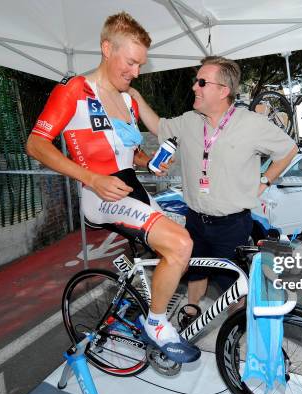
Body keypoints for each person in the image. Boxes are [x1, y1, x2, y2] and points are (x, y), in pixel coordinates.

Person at [25, 12, 200, 364]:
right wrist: (90, 178)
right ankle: (155, 322)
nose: (136, 72)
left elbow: (125, 150)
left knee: (178, 248)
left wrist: (147, 161)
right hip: (100, 193)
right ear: (107, 49)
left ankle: (135, 301)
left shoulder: (129, 97)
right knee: (180, 245)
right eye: (132, 62)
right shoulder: (74, 90)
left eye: (140, 64)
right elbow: (36, 144)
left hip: (131, 185)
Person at [129, 56, 297, 321]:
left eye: (202, 82)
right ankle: (192, 309)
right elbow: (159, 126)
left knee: (234, 286)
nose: (195, 87)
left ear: (223, 90)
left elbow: (289, 150)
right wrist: (135, 95)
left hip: (233, 225)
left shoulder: (251, 123)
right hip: (195, 219)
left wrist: (264, 181)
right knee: (196, 270)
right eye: (196, 82)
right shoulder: (189, 121)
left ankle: (237, 328)